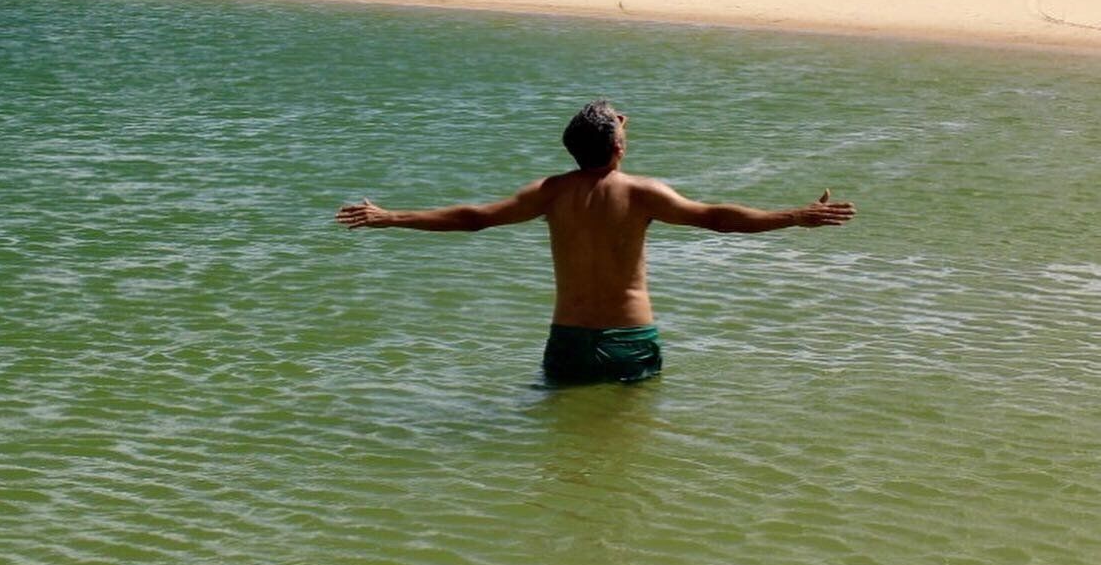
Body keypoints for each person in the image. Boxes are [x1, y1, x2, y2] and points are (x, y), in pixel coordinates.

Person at [336, 99, 855, 385]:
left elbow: (475, 218)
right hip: (630, 341)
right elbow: (717, 219)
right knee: (624, 446)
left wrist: (390, 217)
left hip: (568, 343)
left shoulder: (550, 193)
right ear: (619, 148)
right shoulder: (642, 193)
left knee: (563, 441)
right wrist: (795, 216)